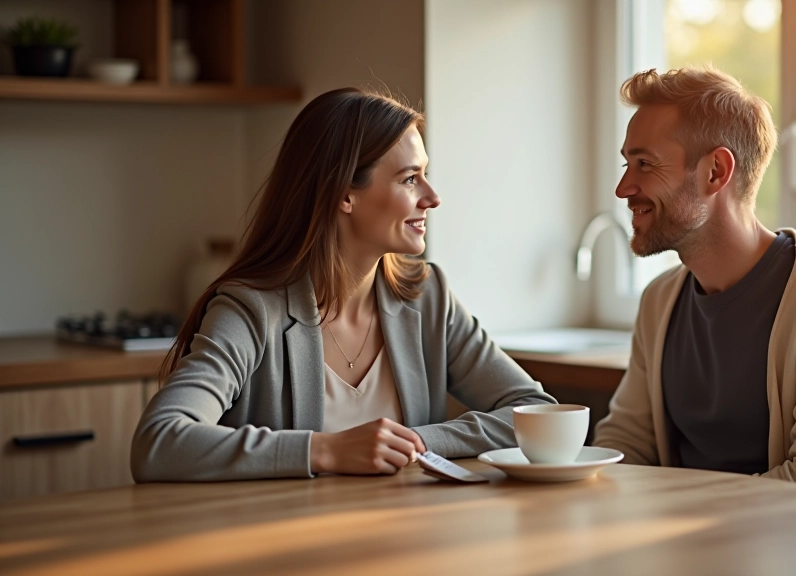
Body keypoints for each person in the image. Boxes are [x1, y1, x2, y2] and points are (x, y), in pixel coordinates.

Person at [132, 88, 555, 482]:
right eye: (410, 179)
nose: (432, 197)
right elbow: (159, 440)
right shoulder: (251, 310)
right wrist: (327, 450)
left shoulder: (428, 297)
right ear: (344, 195)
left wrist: (417, 442)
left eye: (425, 174)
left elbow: (537, 412)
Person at [593, 66, 796, 504]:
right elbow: (625, 446)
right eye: (628, 164)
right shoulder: (660, 300)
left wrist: (674, 513)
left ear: (716, 171)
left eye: (644, 164)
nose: (624, 188)